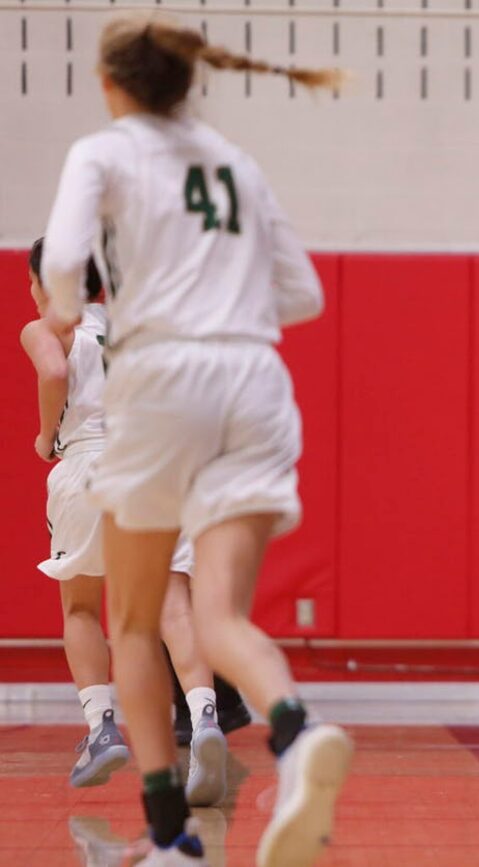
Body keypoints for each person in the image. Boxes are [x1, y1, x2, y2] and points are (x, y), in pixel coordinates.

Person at [41, 14, 352, 867]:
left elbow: (63, 264)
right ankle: (295, 731)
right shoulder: (238, 162)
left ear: (111, 84)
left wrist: (70, 309)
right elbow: (304, 295)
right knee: (214, 614)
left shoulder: (102, 152)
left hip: (163, 383)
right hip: (255, 382)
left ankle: (172, 833)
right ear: (191, 83)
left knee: (135, 620)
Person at [22, 238, 227, 807]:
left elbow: (53, 368)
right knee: (173, 604)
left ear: (44, 284)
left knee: (82, 607)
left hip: (88, 462)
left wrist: (46, 435)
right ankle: (205, 716)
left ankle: (101, 729)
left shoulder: (46, 325)